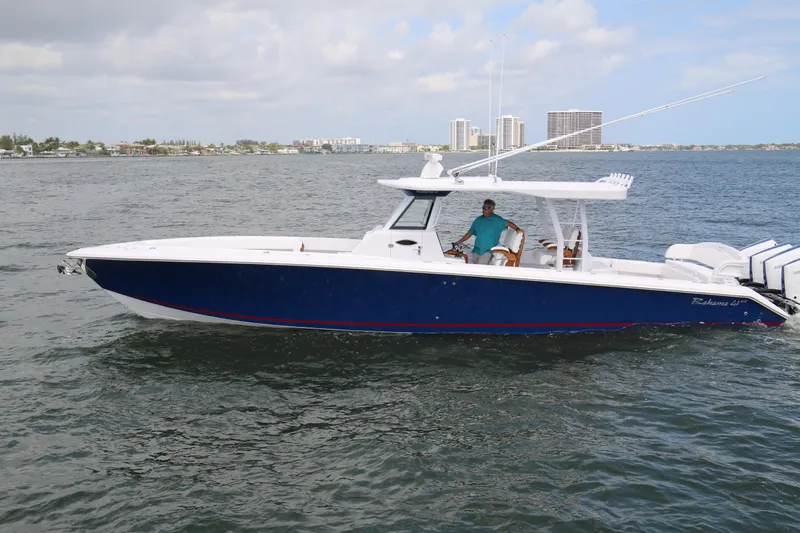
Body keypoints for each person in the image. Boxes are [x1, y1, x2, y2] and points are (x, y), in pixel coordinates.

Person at [455, 199, 522, 264]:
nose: (484, 209)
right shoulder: (478, 220)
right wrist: (458, 242)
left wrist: (518, 229)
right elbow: (469, 233)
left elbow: (509, 223)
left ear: (492, 209)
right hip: (477, 248)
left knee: (481, 268)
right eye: (483, 207)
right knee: (475, 267)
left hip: (488, 250)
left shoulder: (497, 220)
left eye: (486, 208)